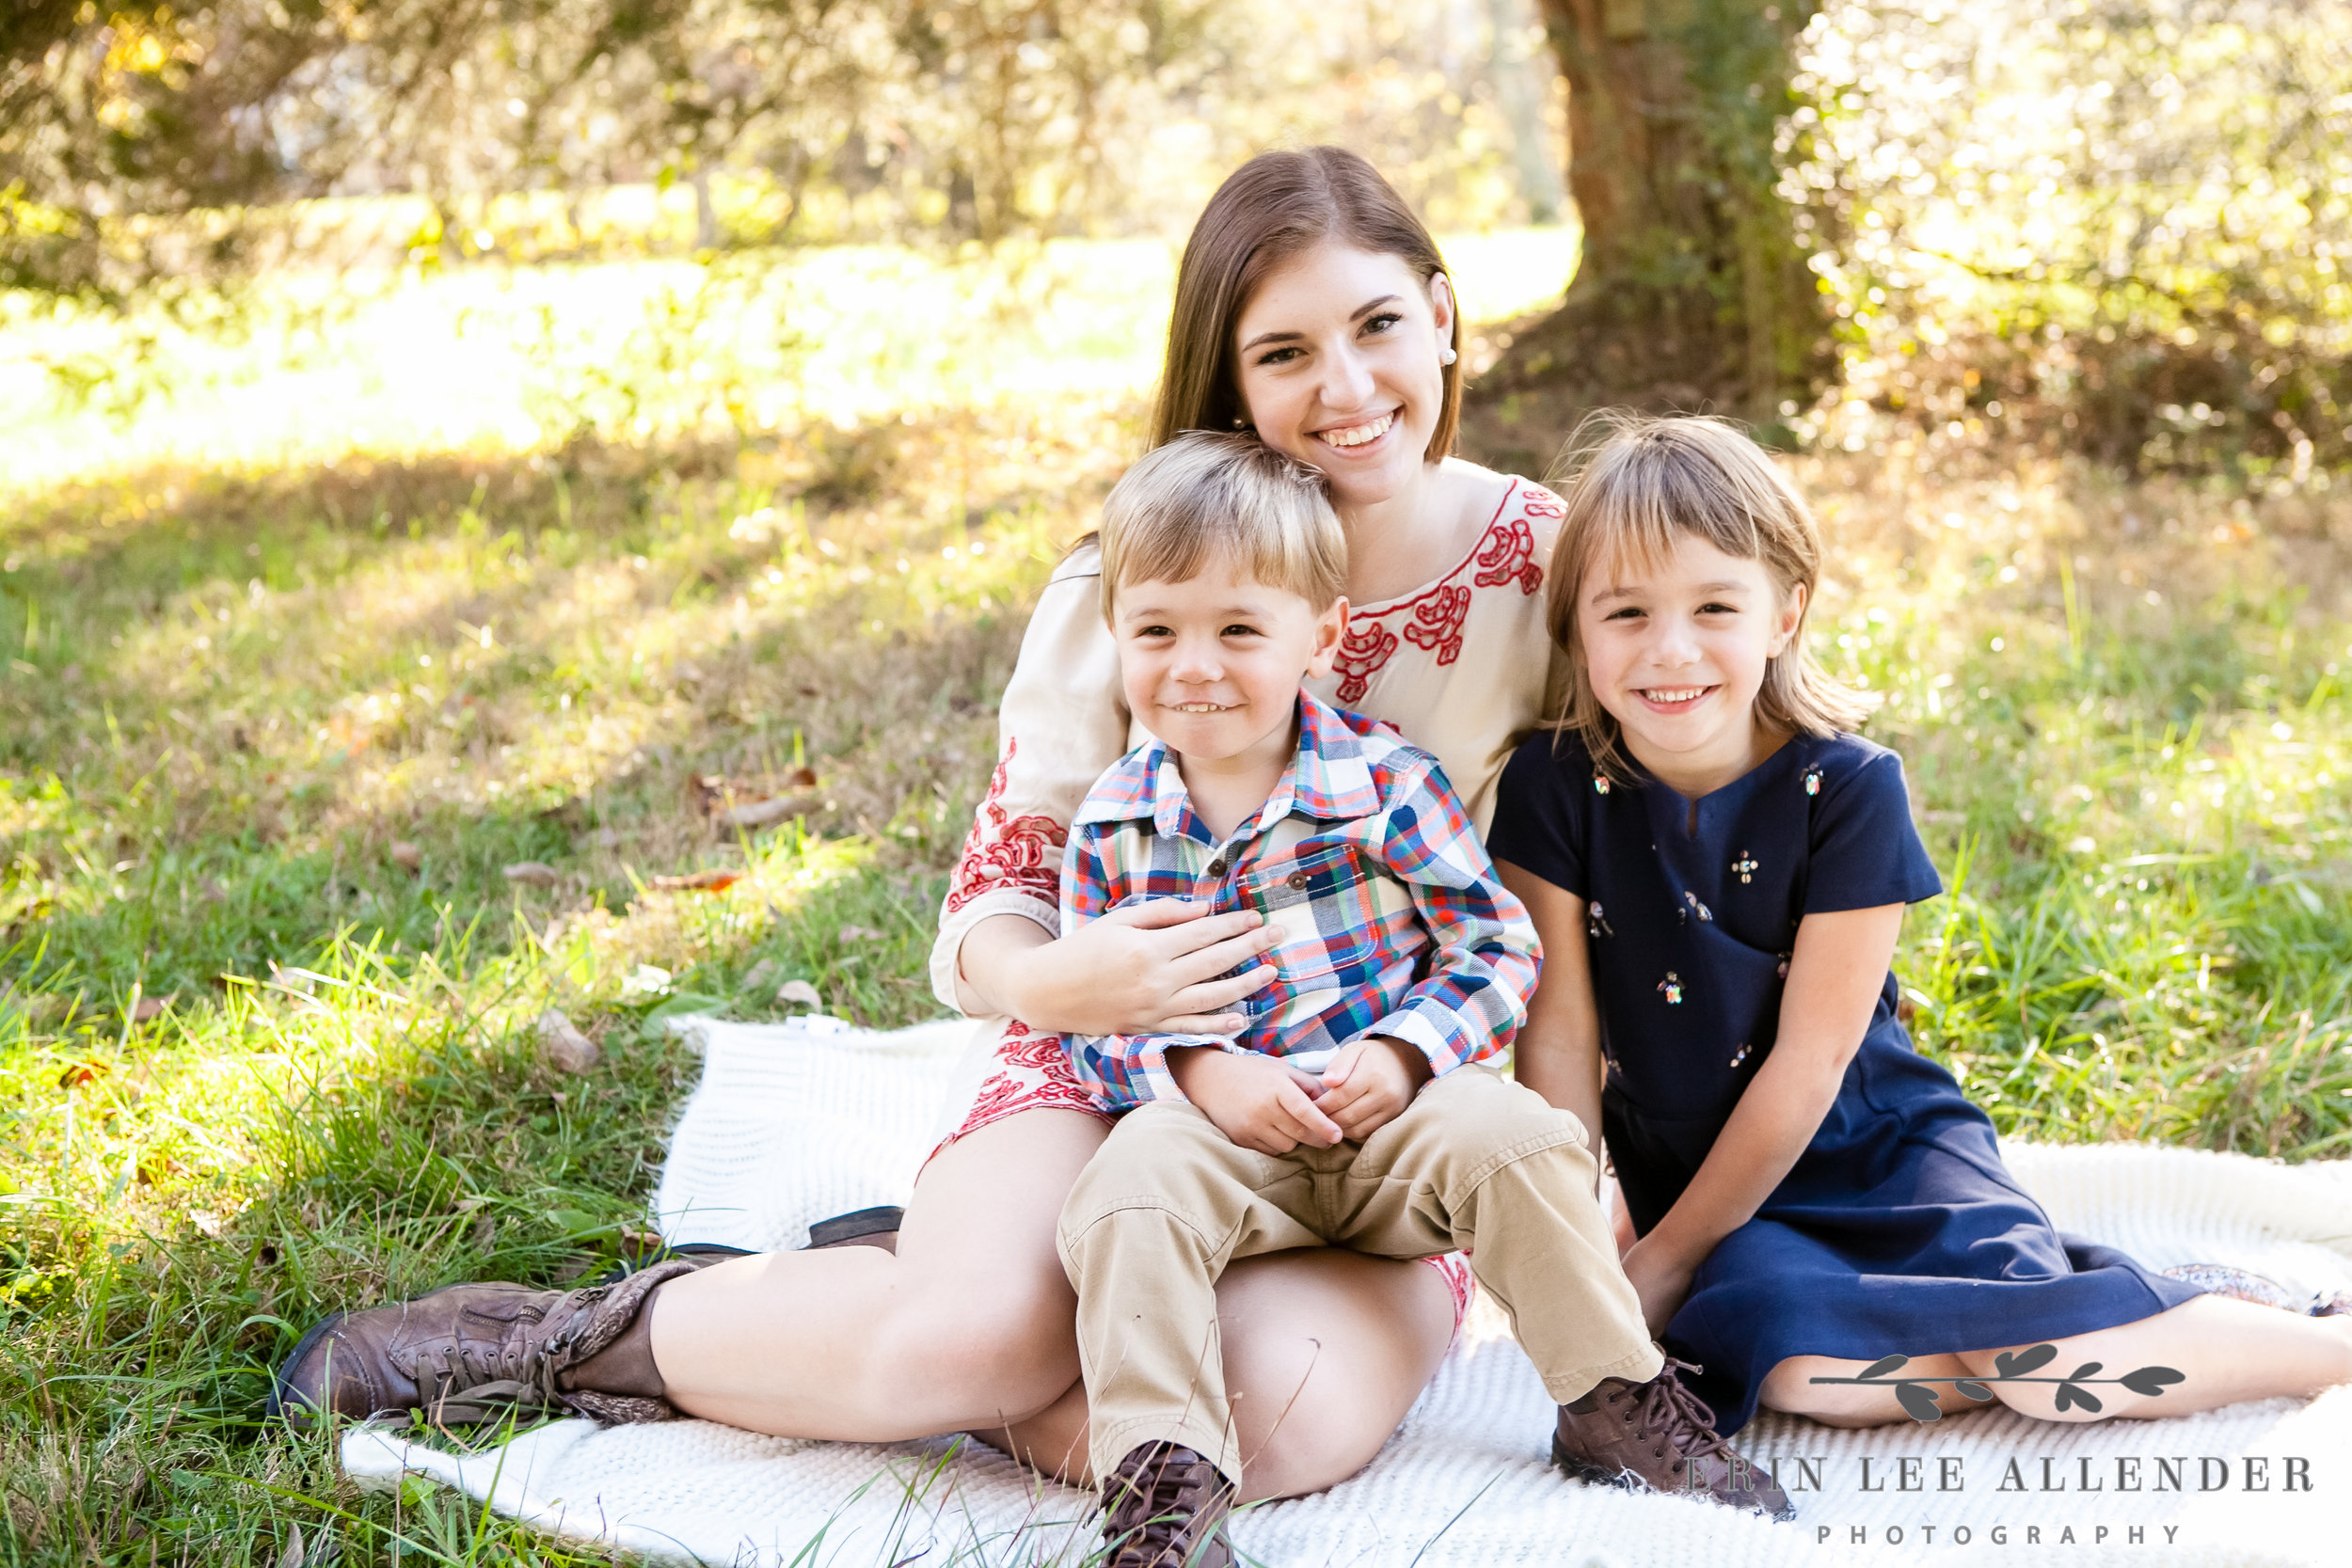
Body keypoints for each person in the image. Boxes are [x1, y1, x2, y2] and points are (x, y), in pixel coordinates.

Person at [269, 147, 1749, 1506]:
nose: (1344, 386)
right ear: (1229, 375)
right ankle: (601, 1335)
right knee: (965, 1344)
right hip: (1117, 1058)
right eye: (1283, 350)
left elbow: (1639, 837)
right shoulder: (1135, 578)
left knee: (1274, 1420)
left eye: (1373, 327)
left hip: (1378, 1093)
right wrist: (1064, 984)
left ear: (1440, 315)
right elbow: (994, 902)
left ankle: (861, 1308)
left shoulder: (1546, 563)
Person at [1485, 412, 2352, 1436]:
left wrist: (1662, 1263)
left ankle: (2298, 1338)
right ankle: (2145, 1314)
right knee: (1805, 1376)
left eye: (1715, 604)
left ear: (1784, 612)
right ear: (1575, 627)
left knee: (2048, 1372)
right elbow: (1560, 1037)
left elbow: (1811, 1065)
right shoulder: (1552, 784)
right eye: (1624, 612)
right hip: (1726, 1199)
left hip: (1882, 1150)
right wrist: (1588, 1254)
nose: (1670, 650)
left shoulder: (1846, 787)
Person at [1054, 429, 1788, 1567]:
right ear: (1117, 638)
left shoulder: (1385, 782)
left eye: (1239, 629)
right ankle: (1164, 1490)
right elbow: (1090, 1019)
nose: (1195, 664)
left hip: (1391, 1124)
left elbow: (1495, 948)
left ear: (1324, 634)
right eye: (1157, 630)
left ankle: (1609, 1396)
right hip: (1222, 1140)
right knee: (1123, 1189)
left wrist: (1401, 1057)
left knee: (1517, 1136)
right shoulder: (1110, 824)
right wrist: (1199, 1071)